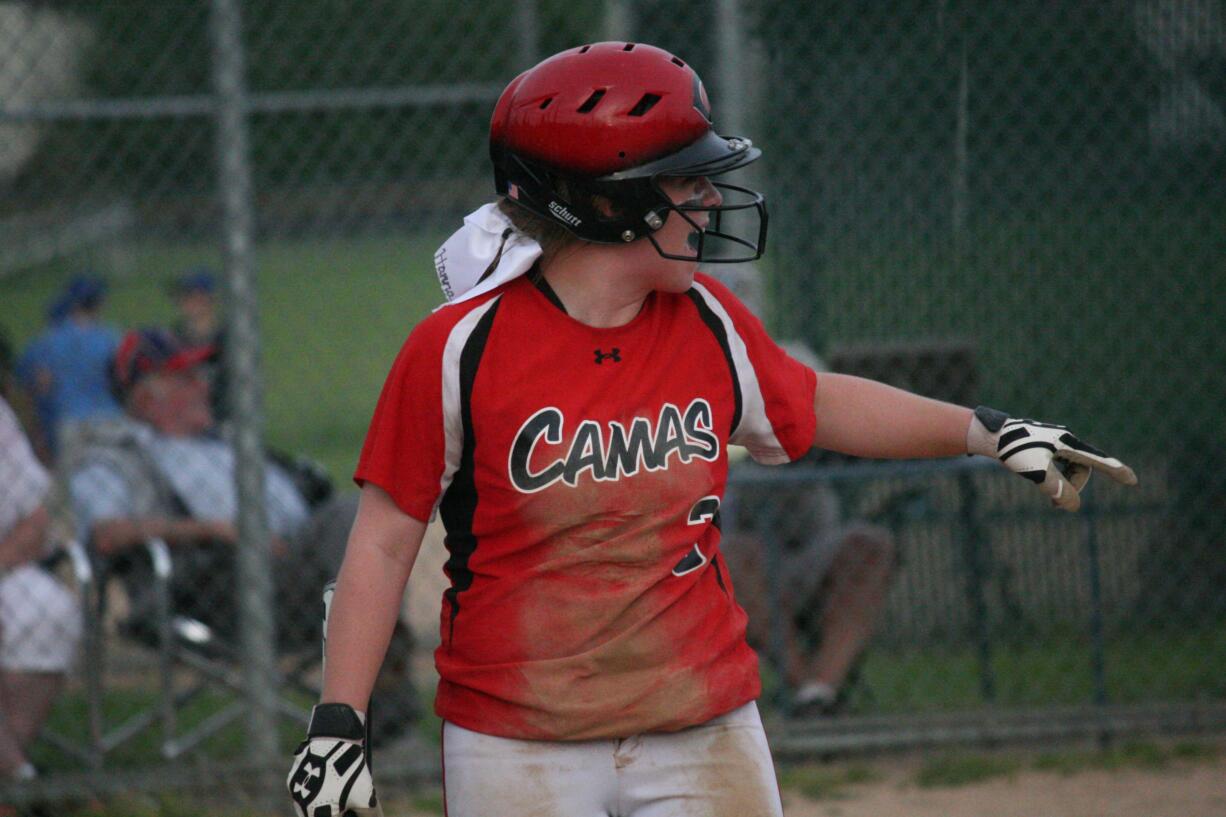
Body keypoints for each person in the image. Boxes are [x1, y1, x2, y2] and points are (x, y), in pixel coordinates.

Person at [287, 42, 1137, 817]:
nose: (709, 200)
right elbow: (382, 545)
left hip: (698, 719)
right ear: (607, 203)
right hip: (518, 734)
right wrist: (338, 723)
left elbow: (818, 399)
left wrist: (988, 432)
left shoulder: (704, 320)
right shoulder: (459, 349)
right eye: (686, 181)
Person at [66, 328, 418, 743]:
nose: (204, 385)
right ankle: (381, 691)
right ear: (146, 396)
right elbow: (106, 535)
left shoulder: (223, 442)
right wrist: (214, 530)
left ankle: (375, 690)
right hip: (216, 588)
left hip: (294, 572)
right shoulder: (114, 456)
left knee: (362, 515)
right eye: (186, 378)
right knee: (352, 521)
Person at [0, 396, 82, 783]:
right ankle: (17, 778)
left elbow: (38, 515)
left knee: (48, 609)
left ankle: (10, 770)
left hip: (3, 566)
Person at [16, 273, 123, 462]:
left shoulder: (47, 342)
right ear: (100, 302)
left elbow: (41, 385)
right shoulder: (111, 339)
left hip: (70, 423)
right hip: (111, 419)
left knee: (76, 485)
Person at [168, 267, 227, 424]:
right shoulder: (174, 337)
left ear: (209, 299)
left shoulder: (226, 338)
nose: (186, 303)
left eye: (192, 297)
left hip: (221, 414)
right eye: (184, 297)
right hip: (184, 416)